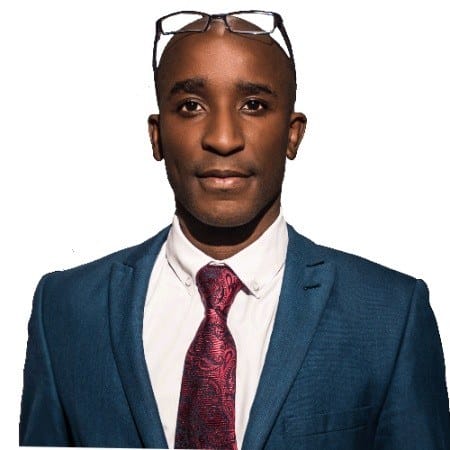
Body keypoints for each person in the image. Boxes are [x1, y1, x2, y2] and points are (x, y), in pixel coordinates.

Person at [19, 10, 450, 450]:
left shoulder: (390, 316)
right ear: (157, 135)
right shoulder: (65, 310)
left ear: (293, 134)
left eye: (254, 105)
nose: (223, 139)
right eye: (191, 106)